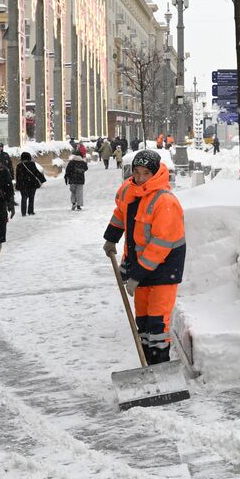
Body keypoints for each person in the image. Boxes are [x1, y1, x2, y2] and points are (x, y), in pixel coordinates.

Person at [102, 149, 187, 364]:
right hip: (140, 268)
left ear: (156, 173)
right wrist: (111, 237)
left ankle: (160, 367)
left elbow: (159, 246)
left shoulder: (165, 202)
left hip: (164, 270)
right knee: (143, 321)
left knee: (157, 323)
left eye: (145, 173)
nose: (139, 178)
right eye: (136, 172)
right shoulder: (128, 191)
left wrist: (137, 275)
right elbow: (120, 214)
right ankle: (148, 364)